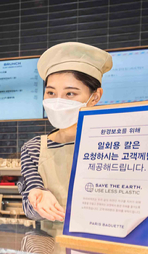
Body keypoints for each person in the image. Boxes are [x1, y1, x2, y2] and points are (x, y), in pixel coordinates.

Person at [19, 42, 113, 222]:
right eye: (51, 93)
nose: (58, 101)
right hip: (49, 246)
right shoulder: (33, 149)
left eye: (70, 94)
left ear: (95, 97)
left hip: (101, 245)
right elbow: (30, 211)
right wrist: (38, 197)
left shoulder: (109, 145)